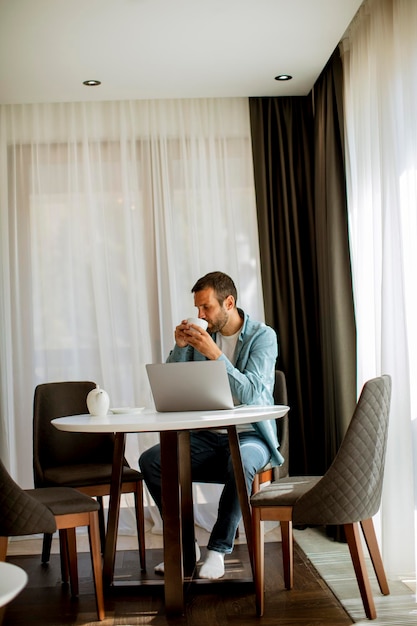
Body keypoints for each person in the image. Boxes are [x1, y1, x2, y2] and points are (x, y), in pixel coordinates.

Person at [139, 271, 283, 579]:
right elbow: (174, 385)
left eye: (206, 308)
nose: (200, 316)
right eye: (197, 309)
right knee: (151, 460)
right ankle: (184, 549)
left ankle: (217, 550)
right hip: (207, 438)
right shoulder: (201, 337)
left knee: (241, 459)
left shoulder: (262, 337)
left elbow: (253, 395)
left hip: (250, 437)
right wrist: (180, 346)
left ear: (228, 303)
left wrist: (216, 356)